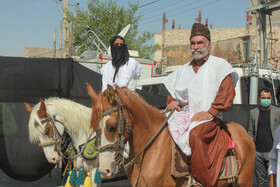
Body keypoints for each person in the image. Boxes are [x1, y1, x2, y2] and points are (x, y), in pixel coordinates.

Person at [164, 23, 238, 187]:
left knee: (196, 135)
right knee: (160, 129)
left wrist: (210, 112)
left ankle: (201, 181)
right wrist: (172, 102)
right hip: (184, 116)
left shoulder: (220, 65)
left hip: (208, 119)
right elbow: (172, 95)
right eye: (193, 43)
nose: (196, 47)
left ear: (208, 45)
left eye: (200, 43)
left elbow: (227, 93)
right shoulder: (182, 70)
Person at [248, 88, 280, 187]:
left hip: (272, 152)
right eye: (263, 98)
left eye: (268, 98)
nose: (266, 100)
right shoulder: (253, 112)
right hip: (258, 153)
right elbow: (250, 130)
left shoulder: (278, 112)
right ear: (259, 98)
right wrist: (251, 146)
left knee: (273, 181)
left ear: (271, 99)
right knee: (261, 182)